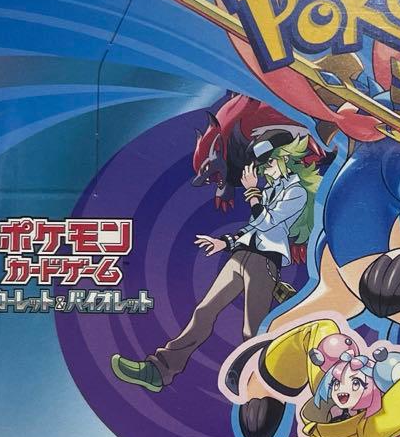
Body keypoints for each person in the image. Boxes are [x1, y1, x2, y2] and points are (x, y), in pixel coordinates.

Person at [110, 131, 319, 392]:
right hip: (241, 256)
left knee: (252, 330)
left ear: (284, 159)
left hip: (264, 263)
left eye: (268, 164)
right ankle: (159, 370)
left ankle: (263, 388)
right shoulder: (271, 191)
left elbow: (267, 222)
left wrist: (252, 193)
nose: (264, 170)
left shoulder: (296, 192)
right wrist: (225, 243)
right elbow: (253, 228)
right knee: (204, 311)